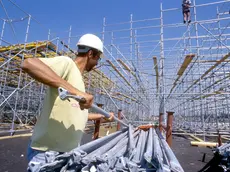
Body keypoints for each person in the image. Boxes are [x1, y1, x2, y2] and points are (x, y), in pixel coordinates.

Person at [22, 33, 114, 171]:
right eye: (97, 59)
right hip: (49, 153)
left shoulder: (79, 81)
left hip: (66, 153)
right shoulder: (67, 64)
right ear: (90, 54)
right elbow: (28, 64)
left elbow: (76, 113)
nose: (96, 64)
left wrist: (102, 116)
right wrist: (76, 92)